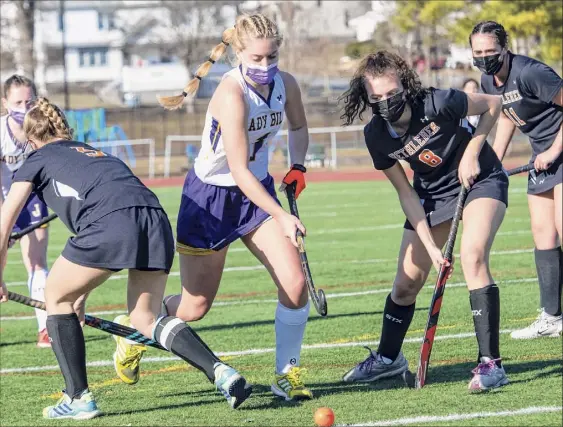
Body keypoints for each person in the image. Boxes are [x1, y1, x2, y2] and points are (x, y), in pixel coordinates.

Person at [0, 98, 251, 420]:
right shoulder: (95, 153)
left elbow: (6, 221)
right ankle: (221, 372)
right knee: (145, 319)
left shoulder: (36, 158)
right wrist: (79, 299)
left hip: (109, 224)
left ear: (31, 141)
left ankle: (78, 398)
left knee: (54, 297)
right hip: (155, 220)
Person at [113, 13, 314, 401]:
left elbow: (300, 128)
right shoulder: (231, 94)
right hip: (210, 201)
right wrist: (282, 214)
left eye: (271, 57)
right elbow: (238, 170)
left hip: (257, 194)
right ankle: (140, 325)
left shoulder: (286, 84)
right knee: (194, 306)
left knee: (295, 282)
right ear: (237, 53)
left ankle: (286, 375)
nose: (265, 66)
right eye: (256, 59)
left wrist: (299, 166)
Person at [339, 51, 509, 392]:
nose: (385, 102)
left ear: (405, 84)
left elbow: (493, 103)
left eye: (391, 94)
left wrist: (473, 153)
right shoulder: (376, 135)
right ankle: (388, 360)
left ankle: (491, 364)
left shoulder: (436, 102)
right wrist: (431, 248)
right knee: (405, 285)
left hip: (481, 180)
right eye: (376, 98)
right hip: (432, 196)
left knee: (472, 256)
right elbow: (406, 194)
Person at [470, 21, 562, 339]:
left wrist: (553, 151)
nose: (484, 57)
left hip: (559, 151)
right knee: (543, 234)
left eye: (490, 51)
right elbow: (506, 118)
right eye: (478, 52)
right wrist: (492, 163)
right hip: (543, 156)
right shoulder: (487, 79)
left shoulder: (530, 72)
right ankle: (552, 318)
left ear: (505, 48)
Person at [1, 75, 52, 348]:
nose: (24, 106)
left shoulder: (43, 129)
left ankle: (45, 328)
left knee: (36, 262)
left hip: (34, 201)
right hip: (4, 200)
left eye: (29, 100)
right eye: (18, 101)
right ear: (5, 103)